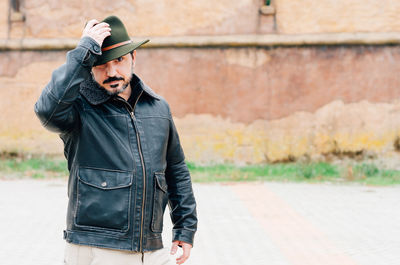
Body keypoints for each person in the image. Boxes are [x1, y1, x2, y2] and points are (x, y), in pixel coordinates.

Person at [34, 15, 197, 265]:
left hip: (152, 248)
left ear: (133, 57)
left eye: (119, 60)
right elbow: (46, 110)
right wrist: (83, 51)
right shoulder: (78, 108)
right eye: (100, 64)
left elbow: (176, 169)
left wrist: (185, 228)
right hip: (98, 247)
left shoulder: (158, 107)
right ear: (89, 67)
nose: (111, 72)